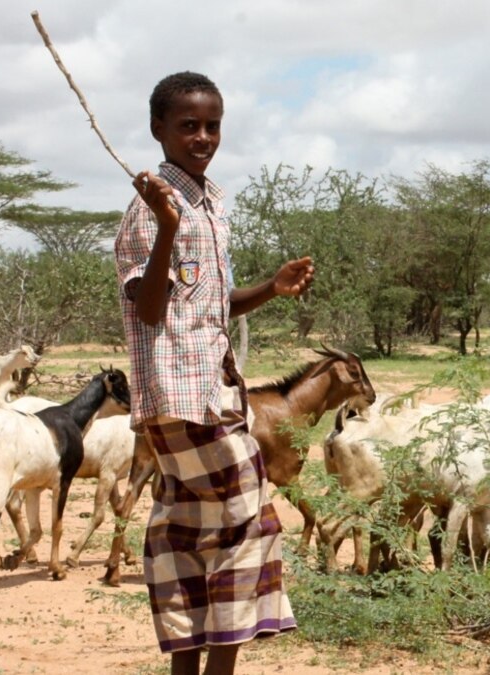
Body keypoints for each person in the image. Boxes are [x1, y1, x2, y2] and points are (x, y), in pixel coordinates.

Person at [114, 71, 310, 675]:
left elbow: (206, 306)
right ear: (158, 130)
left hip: (214, 391)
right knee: (250, 521)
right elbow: (148, 311)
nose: (203, 137)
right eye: (188, 125)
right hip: (177, 395)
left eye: (212, 125)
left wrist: (271, 290)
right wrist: (167, 228)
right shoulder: (151, 212)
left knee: (189, 528)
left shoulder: (210, 202)